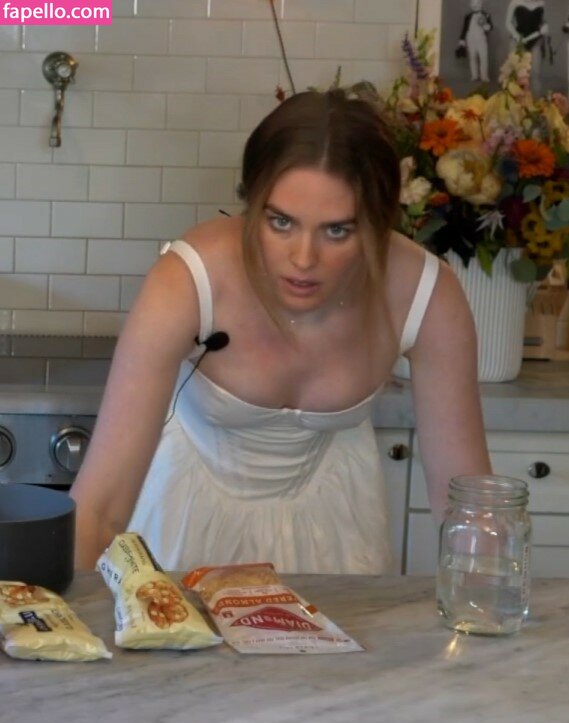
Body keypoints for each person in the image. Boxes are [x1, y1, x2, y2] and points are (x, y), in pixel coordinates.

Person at [72, 90, 491, 574]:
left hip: (335, 527)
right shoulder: (188, 280)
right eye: (281, 222)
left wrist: (485, 600)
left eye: (338, 230)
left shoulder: (425, 293)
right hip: (182, 518)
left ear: (379, 222)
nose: (304, 259)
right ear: (251, 204)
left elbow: (467, 505)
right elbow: (99, 508)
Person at [505, 0, 551, 95]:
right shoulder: (515, 2)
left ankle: (535, 101)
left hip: (536, 40)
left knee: (536, 73)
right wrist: (517, 37)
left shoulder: (541, 2)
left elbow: (542, 21)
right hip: (518, 40)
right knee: (517, 74)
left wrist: (545, 26)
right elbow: (508, 23)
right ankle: (517, 101)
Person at [456, 0, 493, 83]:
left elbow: (491, 27)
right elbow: (464, 28)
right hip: (471, 39)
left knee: (484, 57)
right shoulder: (468, 16)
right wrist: (462, 39)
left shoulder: (486, 15)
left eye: (477, 3)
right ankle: (474, 75)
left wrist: (486, 26)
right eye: (473, 3)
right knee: (472, 57)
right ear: (470, 4)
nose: (475, 5)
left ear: (481, 4)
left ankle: (484, 76)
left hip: (481, 39)